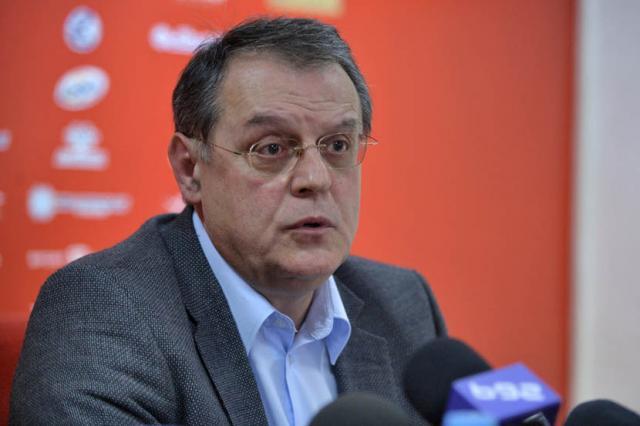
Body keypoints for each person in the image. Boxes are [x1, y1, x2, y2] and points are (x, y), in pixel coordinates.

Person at [10, 17, 446, 425]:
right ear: (190, 169)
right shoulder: (105, 311)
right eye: (271, 148)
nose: (316, 179)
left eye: (337, 145)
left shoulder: (402, 304)